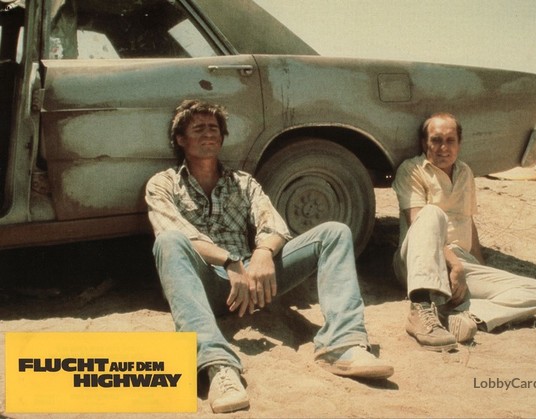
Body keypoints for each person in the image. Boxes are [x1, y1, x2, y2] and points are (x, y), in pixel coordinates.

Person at [145, 100, 393, 414]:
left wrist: (262, 254)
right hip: (203, 286)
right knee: (168, 242)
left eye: (214, 128)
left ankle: (341, 345)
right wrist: (229, 261)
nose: (208, 134)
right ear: (181, 139)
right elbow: (175, 230)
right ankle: (218, 367)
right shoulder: (163, 183)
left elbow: (273, 224)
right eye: (198, 128)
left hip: (253, 282)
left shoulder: (242, 182)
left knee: (335, 232)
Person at [392, 112, 536, 352]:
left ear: (459, 144)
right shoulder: (412, 169)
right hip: (419, 262)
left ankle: (461, 316)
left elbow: (469, 223)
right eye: (436, 140)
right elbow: (416, 223)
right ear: (425, 143)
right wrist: (455, 265)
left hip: (460, 264)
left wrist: (476, 267)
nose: (443, 147)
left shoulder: (465, 172)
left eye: (450, 140)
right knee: (432, 214)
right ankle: (421, 309)